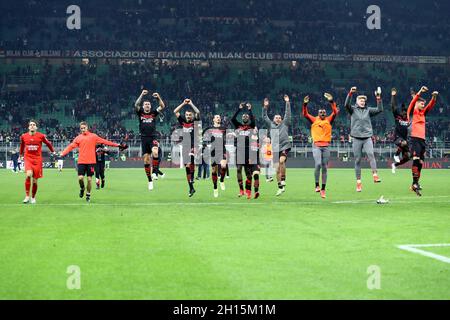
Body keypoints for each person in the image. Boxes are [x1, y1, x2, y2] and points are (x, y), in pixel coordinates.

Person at [60, 122, 127, 202]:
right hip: (81, 161)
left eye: (84, 128)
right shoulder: (78, 138)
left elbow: (105, 141)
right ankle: (82, 188)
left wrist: (118, 145)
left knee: (89, 179)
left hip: (91, 162)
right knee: (80, 178)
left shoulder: (93, 136)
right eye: (81, 128)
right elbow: (71, 146)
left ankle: (88, 194)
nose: (83, 129)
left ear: (87, 128)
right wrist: (63, 153)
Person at [344, 86, 383, 192]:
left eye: (364, 100)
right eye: (360, 100)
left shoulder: (368, 110)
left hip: (367, 137)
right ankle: (358, 183)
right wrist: (350, 93)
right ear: (357, 101)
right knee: (357, 160)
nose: (362, 101)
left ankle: (375, 175)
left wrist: (378, 98)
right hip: (356, 138)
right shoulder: (352, 109)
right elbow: (346, 104)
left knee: (371, 155)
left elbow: (380, 109)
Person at [302, 93, 339, 198]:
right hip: (317, 145)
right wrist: (305, 104)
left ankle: (323, 189)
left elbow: (335, 112)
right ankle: (316, 185)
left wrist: (331, 101)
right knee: (318, 164)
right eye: (320, 112)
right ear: (318, 114)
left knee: (325, 167)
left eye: (324, 112)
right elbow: (305, 114)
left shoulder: (328, 120)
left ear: (325, 113)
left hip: (326, 146)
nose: (322, 113)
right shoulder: (314, 120)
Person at [406, 86, 438, 196]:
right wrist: (419, 92)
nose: (423, 105)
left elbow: (430, 106)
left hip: (422, 140)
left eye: (423, 104)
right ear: (416, 104)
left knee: (420, 163)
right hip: (415, 138)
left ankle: (415, 184)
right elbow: (413, 101)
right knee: (415, 160)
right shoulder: (414, 111)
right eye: (421, 104)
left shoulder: (423, 113)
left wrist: (434, 98)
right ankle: (415, 184)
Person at [135, 90, 165, 191]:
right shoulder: (140, 113)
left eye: (148, 104)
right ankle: (150, 181)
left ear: (150, 106)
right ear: (143, 106)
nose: (147, 105)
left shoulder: (153, 113)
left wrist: (158, 97)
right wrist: (142, 95)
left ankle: (155, 172)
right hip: (144, 138)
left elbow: (162, 106)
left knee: (155, 152)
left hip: (153, 137)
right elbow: (136, 104)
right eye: (145, 104)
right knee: (146, 160)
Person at [19, 119, 55, 204]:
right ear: (28, 127)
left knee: (35, 180)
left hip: (37, 159)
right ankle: (27, 196)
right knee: (28, 175)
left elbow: (48, 143)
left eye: (33, 124)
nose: (32, 125)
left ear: (36, 127)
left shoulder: (41, 136)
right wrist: (20, 154)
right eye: (30, 124)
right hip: (28, 158)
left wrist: (52, 151)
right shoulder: (24, 136)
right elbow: (22, 146)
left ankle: (33, 197)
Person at [262, 95, 291, 196]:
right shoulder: (271, 125)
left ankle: (283, 180)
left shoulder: (285, 123)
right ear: (273, 119)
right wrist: (265, 107)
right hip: (275, 148)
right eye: (276, 118)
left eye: (279, 118)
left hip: (284, 146)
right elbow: (264, 117)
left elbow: (287, 114)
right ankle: (280, 187)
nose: (278, 119)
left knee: (282, 161)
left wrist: (287, 102)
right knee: (277, 169)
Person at [231, 102, 260, 199]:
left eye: (246, 116)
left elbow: (253, 120)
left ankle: (248, 191)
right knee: (239, 169)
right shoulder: (238, 125)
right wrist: (239, 109)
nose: (245, 117)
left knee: (248, 172)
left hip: (249, 151)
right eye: (243, 116)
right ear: (241, 118)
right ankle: (241, 190)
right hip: (239, 151)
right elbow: (232, 119)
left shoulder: (251, 126)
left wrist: (249, 110)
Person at [174, 99, 201, 197]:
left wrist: (191, 103)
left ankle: (193, 177)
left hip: (194, 145)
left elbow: (197, 112)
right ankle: (191, 188)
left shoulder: (195, 121)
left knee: (191, 159)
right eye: (187, 115)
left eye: (190, 115)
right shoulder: (183, 122)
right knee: (187, 167)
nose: (188, 116)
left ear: (192, 116)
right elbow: (175, 112)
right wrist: (183, 103)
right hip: (185, 146)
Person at [203, 114, 228, 198]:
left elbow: (229, 134)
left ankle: (221, 180)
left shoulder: (224, 128)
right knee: (214, 171)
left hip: (222, 150)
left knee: (224, 166)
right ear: (213, 119)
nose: (218, 118)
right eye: (217, 117)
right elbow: (202, 134)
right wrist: (203, 143)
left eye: (219, 117)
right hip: (213, 151)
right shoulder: (209, 128)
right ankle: (215, 188)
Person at [390, 88, 412, 173]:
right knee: (404, 142)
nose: (404, 114)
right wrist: (393, 96)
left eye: (405, 112)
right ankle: (396, 155)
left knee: (408, 157)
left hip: (404, 139)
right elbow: (393, 106)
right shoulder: (397, 117)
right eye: (403, 112)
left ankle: (394, 165)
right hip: (397, 138)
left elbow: (411, 107)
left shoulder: (407, 119)